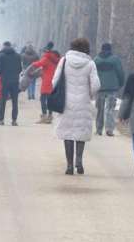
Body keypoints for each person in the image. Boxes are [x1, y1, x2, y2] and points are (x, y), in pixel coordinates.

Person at [52, 38, 100, 175]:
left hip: (66, 102)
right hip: (83, 103)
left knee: (68, 134)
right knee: (80, 133)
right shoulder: (90, 64)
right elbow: (96, 85)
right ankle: (79, 161)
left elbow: (54, 81)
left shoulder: (64, 61)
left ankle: (69, 165)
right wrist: (90, 94)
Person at [94, 43, 124, 136]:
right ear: (110, 50)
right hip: (112, 88)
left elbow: (92, 74)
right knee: (110, 109)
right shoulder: (115, 60)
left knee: (100, 109)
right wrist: (120, 83)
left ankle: (99, 129)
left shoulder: (96, 60)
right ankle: (109, 129)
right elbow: (120, 73)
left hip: (100, 88)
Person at [0, 41, 23, 126]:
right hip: (15, 81)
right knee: (15, 102)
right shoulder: (18, 56)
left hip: (5, 81)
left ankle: (1, 120)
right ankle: (14, 120)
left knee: (3, 101)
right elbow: (20, 69)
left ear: (4, 47)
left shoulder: (2, 56)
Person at [31, 42, 60, 124]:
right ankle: (50, 116)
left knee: (43, 98)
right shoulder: (55, 58)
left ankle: (44, 116)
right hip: (54, 80)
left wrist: (32, 63)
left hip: (46, 80)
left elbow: (39, 64)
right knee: (50, 99)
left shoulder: (47, 57)